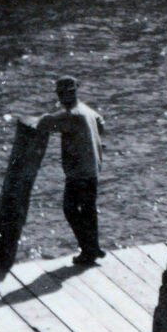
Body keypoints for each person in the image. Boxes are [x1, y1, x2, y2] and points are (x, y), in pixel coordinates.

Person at [37, 76, 109, 265]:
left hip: (79, 171)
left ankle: (88, 249)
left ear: (66, 95)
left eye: (62, 94)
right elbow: (101, 123)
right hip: (92, 167)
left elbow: (47, 123)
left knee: (70, 209)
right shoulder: (86, 110)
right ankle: (94, 246)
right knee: (89, 210)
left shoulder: (72, 116)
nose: (61, 98)